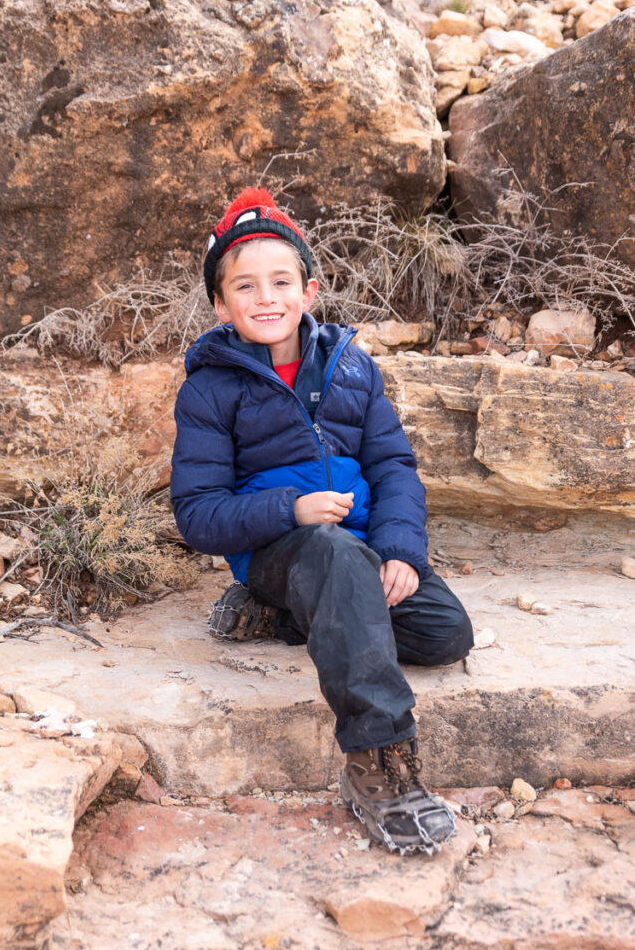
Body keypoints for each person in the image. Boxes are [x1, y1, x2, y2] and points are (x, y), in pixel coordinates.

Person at [170, 188, 474, 855]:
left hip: (358, 551)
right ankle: (381, 763)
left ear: (308, 290)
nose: (266, 297)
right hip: (285, 551)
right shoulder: (210, 389)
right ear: (222, 306)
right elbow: (196, 514)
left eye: (281, 281)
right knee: (331, 555)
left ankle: (275, 619)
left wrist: (399, 551)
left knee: (446, 631)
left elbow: (394, 467)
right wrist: (289, 509)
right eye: (245, 286)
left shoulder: (353, 368)